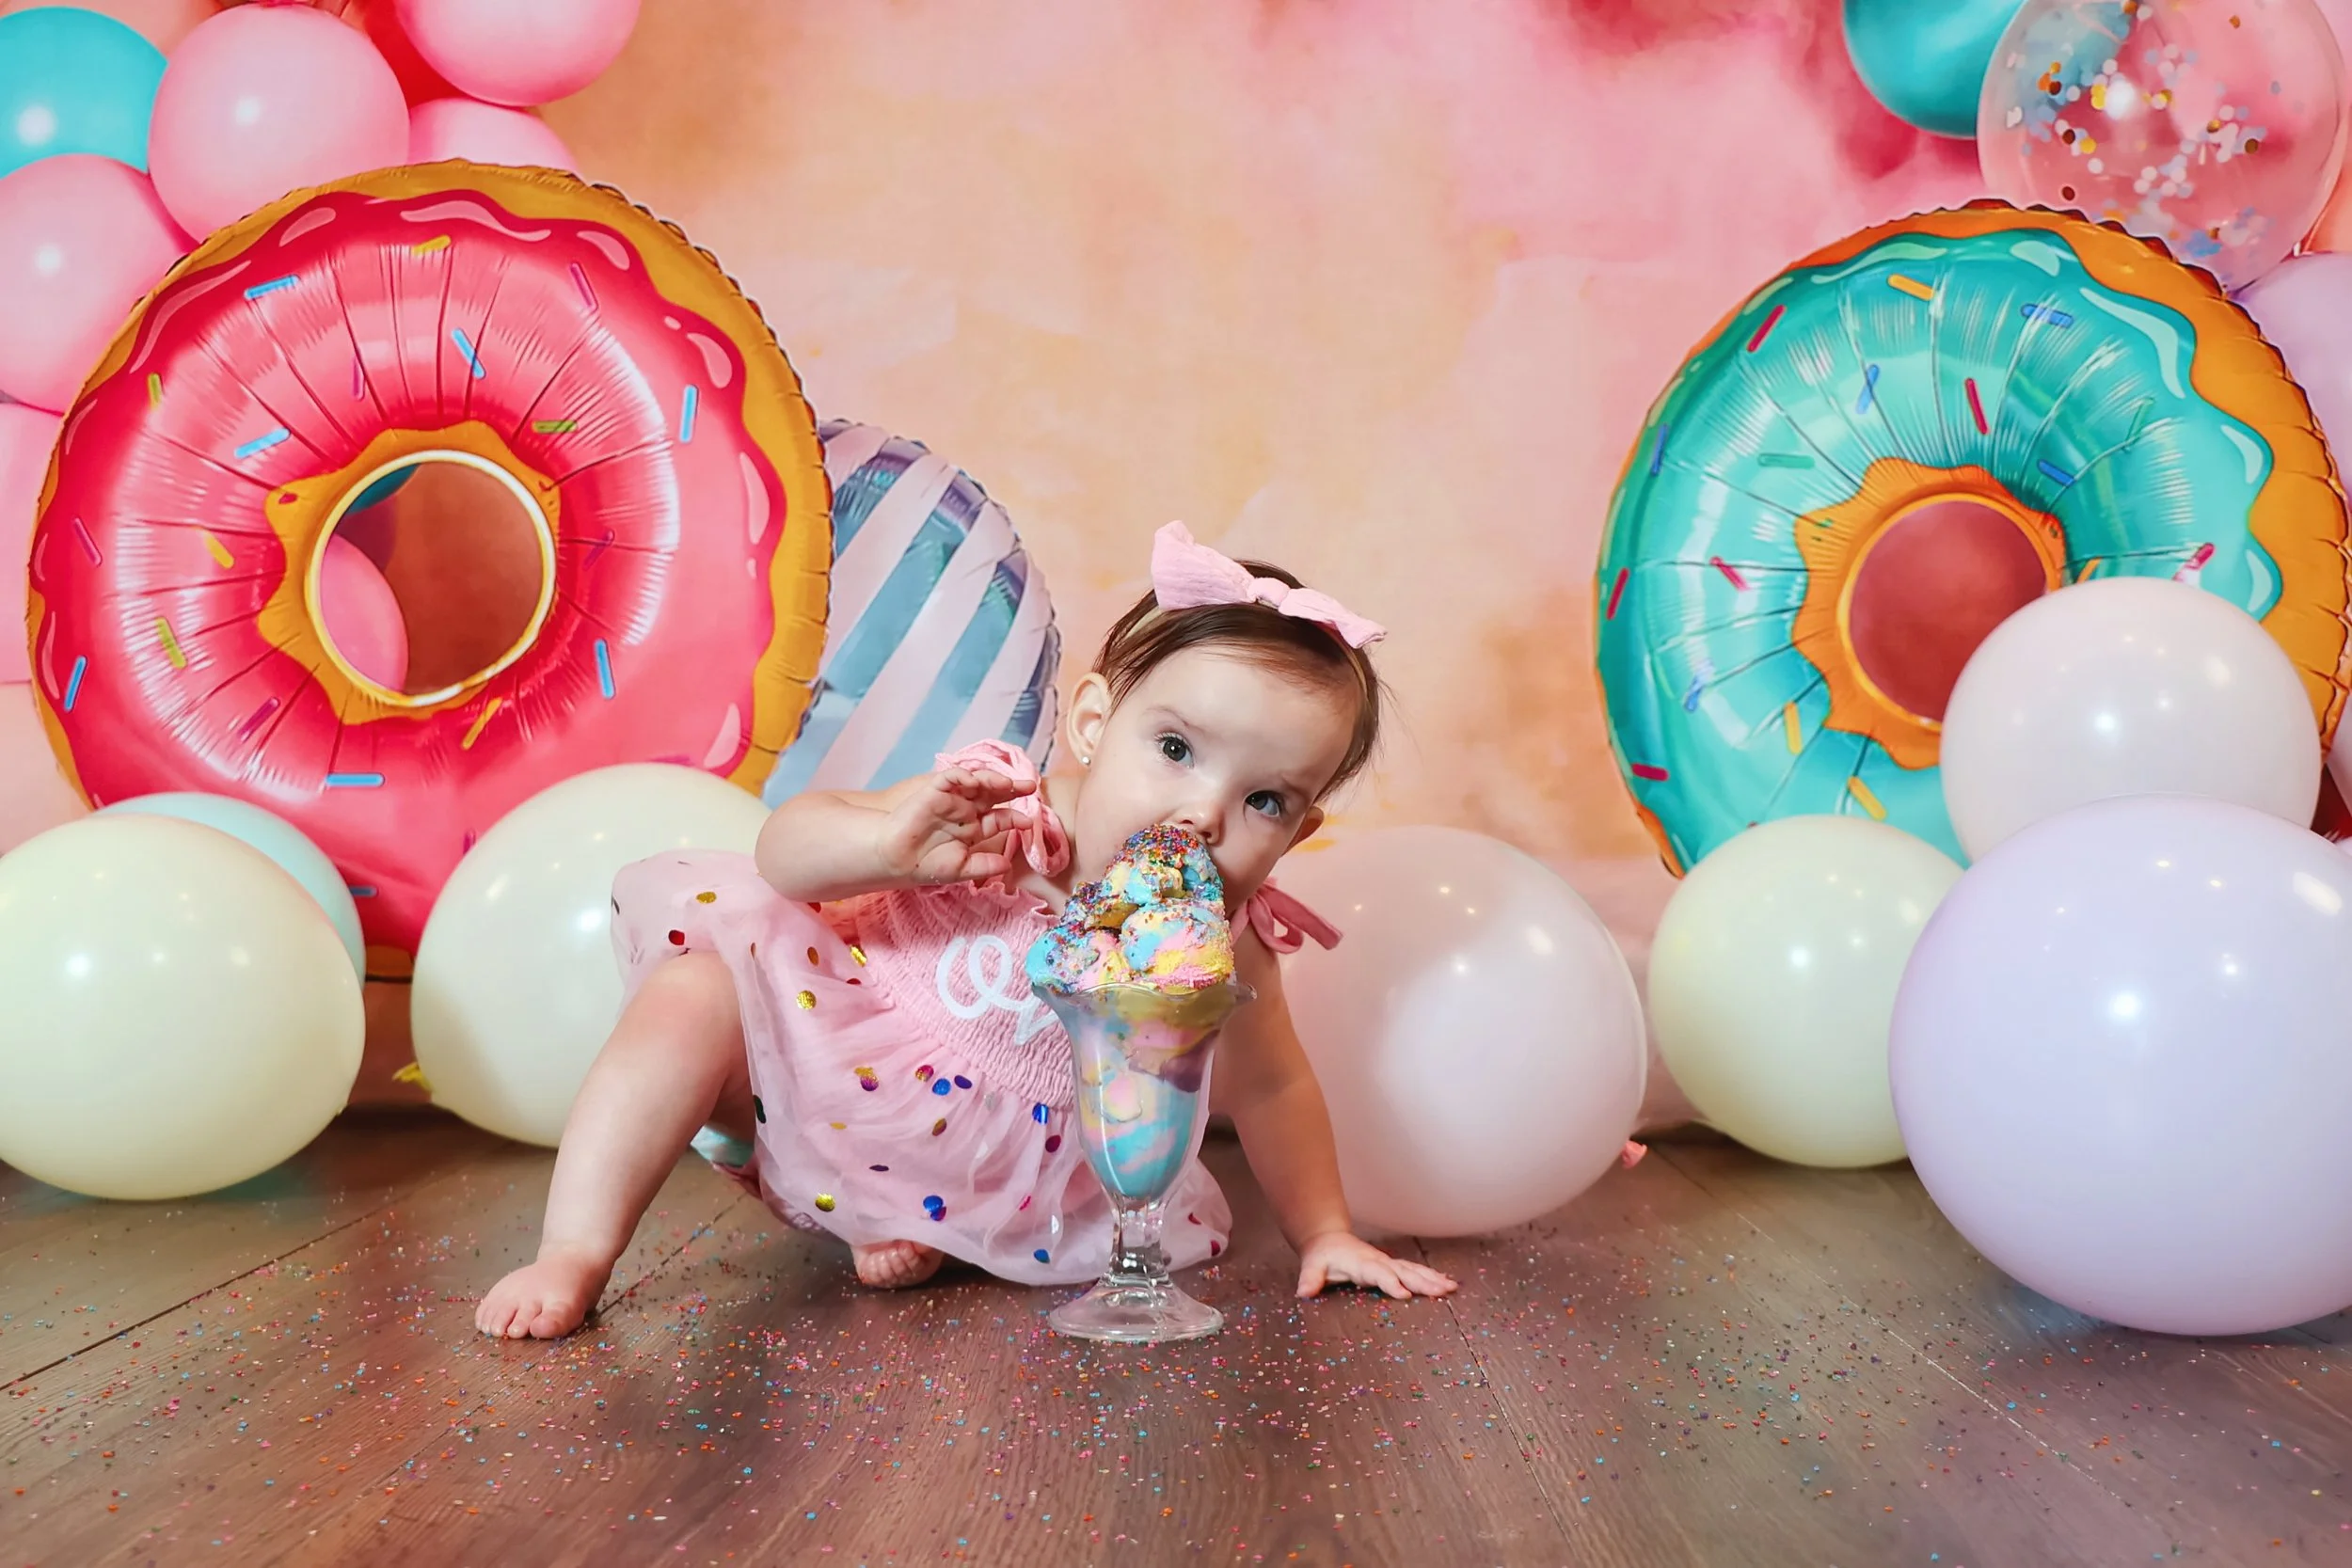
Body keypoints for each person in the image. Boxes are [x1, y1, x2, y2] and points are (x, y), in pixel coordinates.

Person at [477, 522, 1457, 1338]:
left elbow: (1276, 1082)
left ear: (1301, 829)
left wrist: (1326, 1230)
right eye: (1173, 749)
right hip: (838, 1059)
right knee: (691, 992)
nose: (1202, 812)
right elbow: (783, 852)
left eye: (1265, 799)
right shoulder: (994, 807)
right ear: (1089, 721)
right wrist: (887, 845)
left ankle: (905, 1221)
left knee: (994, 1204)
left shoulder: (1216, 932)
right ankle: (575, 1245)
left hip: (1011, 1166)